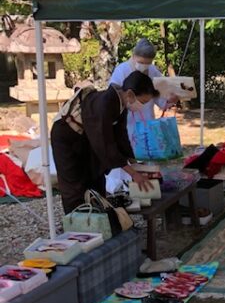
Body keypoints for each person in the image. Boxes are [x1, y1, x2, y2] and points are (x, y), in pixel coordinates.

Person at [51, 71, 155, 213]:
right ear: (130, 94)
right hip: (66, 136)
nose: (141, 106)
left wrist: (134, 162)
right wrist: (133, 173)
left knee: (96, 178)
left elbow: (120, 136)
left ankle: (98, 216)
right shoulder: (105, 104)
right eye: (142, 102)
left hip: (87, 138)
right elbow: (106, 144)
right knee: (74, 184)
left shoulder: (121, 104)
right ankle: (76, 224)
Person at [109, 38, 178, 137]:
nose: (144, 66)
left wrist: (170, 99)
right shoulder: (122, 70)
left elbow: (160, 98)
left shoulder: (153, 71)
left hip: (147, 122)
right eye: (141, 62)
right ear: (133, 56)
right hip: (126, 123)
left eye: (147, 63)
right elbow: (113, 96)